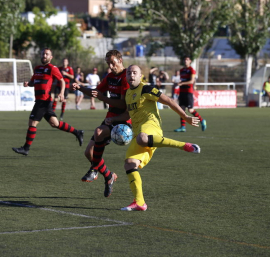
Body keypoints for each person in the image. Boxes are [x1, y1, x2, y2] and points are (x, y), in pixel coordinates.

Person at [104, 65, 201, 211]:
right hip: (139, 133)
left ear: (140, 75)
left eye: (134, 73)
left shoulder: (146, 89)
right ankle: (140, 202)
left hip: (151, 127)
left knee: (142, 138)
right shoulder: (129, 93)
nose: (131, 75)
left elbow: (168, 100)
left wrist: (185, 116)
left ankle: (183, 145)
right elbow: (128, 115)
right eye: (129, 73)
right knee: (129, 163)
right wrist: (114, 119)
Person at [72, 50, 130, 197]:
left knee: (98, 132)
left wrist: (103, 98)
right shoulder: (110, 77)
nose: (110, 66)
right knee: (88, 153)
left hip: (123, 120)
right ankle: (109, 176)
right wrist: (80, 87)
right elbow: (96, 92)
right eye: (108, 64)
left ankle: (94, 169)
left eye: (113, 63)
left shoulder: (126, 77)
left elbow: (123, 104)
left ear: (120, 60)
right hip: (110, 118)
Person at [12, 48, 84, 156]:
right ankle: (77, 132)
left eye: (47, 54)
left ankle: (26, 148)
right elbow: (33, 82)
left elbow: (62, 81)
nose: (44, 55)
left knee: (32, 123)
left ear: (51, 57)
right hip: (44, 101)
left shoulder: (52, 68)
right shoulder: (37, 68)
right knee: (55, 123)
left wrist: (61, 93)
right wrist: (28, 84)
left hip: (43, 101)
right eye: (43, 54)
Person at [174, 56, 207, 132]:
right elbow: (182, 80)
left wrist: (182, 83)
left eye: (187, 59)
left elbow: (192, 81)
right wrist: (178, 84)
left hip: (188, 92)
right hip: (182, 92)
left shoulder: (192, 70)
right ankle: (183, 127)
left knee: (190, 110)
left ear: (190, 61)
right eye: (184, 59)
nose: (185, 61)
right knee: (181, 110)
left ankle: (202, 121)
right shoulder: (181, 70)